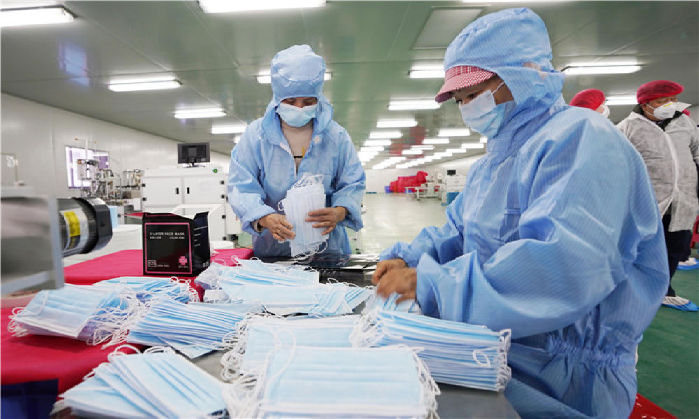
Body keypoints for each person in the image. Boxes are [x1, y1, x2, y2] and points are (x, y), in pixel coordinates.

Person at [372, 8, 667, 418]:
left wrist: (434, 285)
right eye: (460, 100)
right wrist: (409, 257)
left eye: (475, 93)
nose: (467, 106)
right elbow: (459, 231)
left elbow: (561, 267)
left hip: (569, 374)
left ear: (525, 73)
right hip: (505, 354)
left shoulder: (583, 140)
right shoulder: (492, 164)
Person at [227, 45, 365, 258]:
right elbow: (241, 187)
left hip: (327, 251)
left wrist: (340, 211)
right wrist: (264, 217)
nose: (299, 108)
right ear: (277, 97)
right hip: (273, 250)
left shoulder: (336, 137)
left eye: (308, 102)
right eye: (290, 101)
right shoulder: (256, 136)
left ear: (318, 98)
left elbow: (353, 183)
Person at [618, 80, 699, 311]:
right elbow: (619, 165)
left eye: (673, 99)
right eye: (663, 101)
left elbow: (697, 152)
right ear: (646, 105)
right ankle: (629, 294)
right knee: (640, 250)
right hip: (647, 202)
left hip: (682, 200)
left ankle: (664, 292)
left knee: (675, 249)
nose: (671, 104)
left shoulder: (684, 123)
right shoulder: (628, 127)